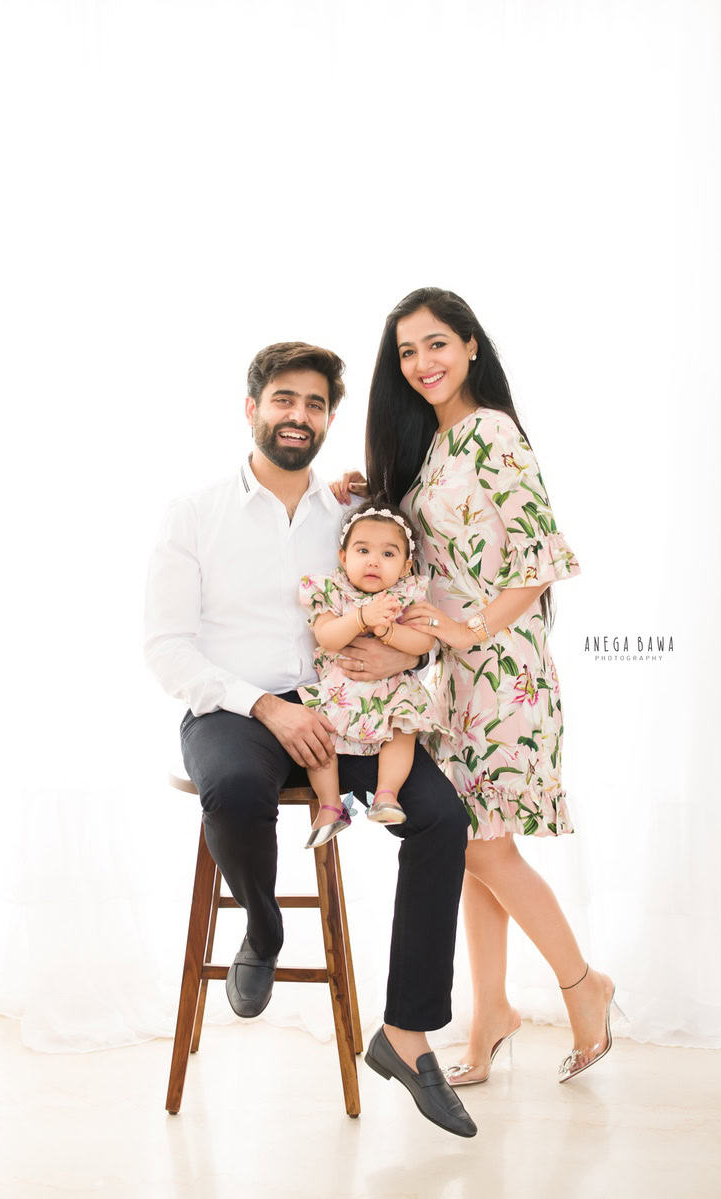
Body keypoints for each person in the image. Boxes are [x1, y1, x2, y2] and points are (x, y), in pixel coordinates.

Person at [143, 340, 477, 1137]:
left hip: (351, 705)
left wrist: (402, 648)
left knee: (441, 816)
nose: (300, 416)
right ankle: (262, 925)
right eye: (285, 400)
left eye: (316, 404)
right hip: (235, 707)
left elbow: (408, 608)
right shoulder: (194, 514)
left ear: (330, 417)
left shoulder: (351, 512)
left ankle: (406, 1031)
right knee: (237, 786)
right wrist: (264, 704)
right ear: (252, 408)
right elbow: (166, 646)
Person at [333, 287, 622, 1086]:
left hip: (502, 671)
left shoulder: (492, 432)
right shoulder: (436, 444)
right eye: (406, 353)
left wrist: (469, 632)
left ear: (469, 346)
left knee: (488, 847)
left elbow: (540, 555)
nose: (421, 364)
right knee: (464, 846)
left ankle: (583, 986)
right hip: (451, 678)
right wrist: (363, 496)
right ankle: (490, 1011)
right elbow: (425, 554)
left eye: (435, 345)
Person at [298, 499, 448, 848]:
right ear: (343, 556)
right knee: (319, 737)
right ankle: (331, 806)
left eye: (388, 554)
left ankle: (386, 794)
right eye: (363, 550)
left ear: (407, 565)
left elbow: (424, 641)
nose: (373, 561)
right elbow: (326, 636)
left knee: (402, 729)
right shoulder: (331, 590)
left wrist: (390, 633)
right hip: (340, 691)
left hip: (392, 691)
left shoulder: (406, 596)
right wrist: (363, 618)